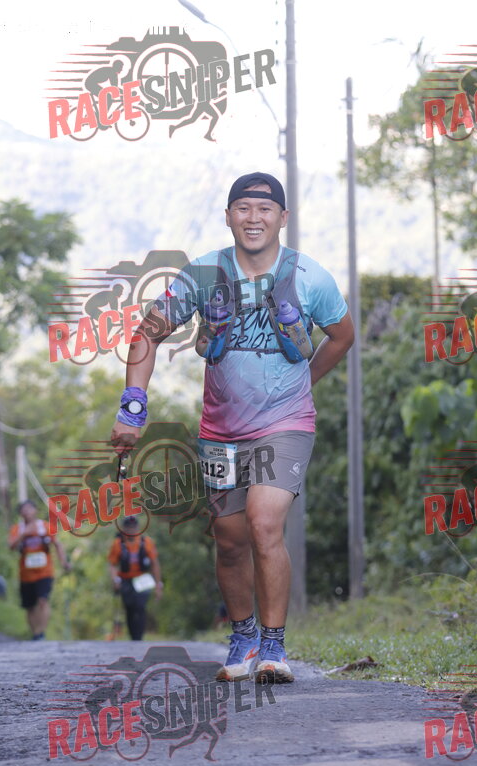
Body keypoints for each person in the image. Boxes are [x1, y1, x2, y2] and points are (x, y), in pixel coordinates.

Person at [110, 172, 354, 682]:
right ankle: (243, 637)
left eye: (265, 210)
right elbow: (147, 334)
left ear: (283, 218)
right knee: (229, 538)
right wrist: (133, 407)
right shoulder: (203, 275)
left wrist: (305, 382)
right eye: (243, 208)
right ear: (228, 216)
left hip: (286, 423)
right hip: (221, 432)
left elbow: (342, 335)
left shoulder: (310, 276)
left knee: (264, 524)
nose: (253, 218)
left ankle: (274, 648)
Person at [9, 499, 71, 640]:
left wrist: (64, 562)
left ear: (35, 510)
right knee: (30, 606)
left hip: (45, 572)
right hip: (25, 574)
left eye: (29, 508)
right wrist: (23, 535)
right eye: (24, 510)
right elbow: (11, 546)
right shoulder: (17, 529)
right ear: (20, 513)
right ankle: (35, 634)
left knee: (43, 601)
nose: (27, 512)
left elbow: (57, 544)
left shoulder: (45, 527)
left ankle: (41, 633)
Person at [107, 515, 163, 641]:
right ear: (123, 529)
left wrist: (158, 584)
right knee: (129, 607)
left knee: (140, 605)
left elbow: (155, 564)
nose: (131, 530)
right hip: (125, 580)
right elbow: (112, 564)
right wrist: (115, 580)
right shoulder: (118, 544)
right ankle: (133, 637)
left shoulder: (146, 542)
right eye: (128, 527)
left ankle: (139, 637)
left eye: (133, 527)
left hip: (142, 579)